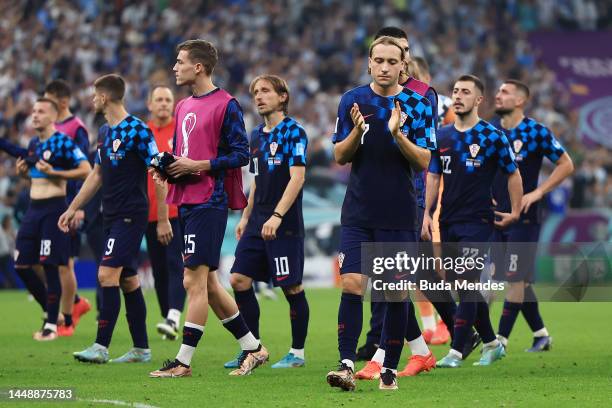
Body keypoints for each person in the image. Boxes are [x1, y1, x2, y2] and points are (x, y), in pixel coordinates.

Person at [149, 39, 267, 378]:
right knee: (210, 284)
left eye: (180, 61)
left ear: (198, 67)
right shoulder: (183, 105)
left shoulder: (226, 104)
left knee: (193, 280)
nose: (175, 67)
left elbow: (241, 154)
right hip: (185, 199)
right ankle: (253, 348)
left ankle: (183, 362)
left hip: (209, 200)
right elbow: (183, 151)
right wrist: (168, 165)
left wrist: (196, 165)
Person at [326, 36, 436, 391]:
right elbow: (340, 156)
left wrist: (398, 134)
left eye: (393, 61)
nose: (386, 67)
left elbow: (423, 161)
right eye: (379, 61)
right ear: (369, 63)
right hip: (358, 211)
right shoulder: (353, 101)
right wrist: (357, 132)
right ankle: (345, 363)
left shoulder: (418, 104)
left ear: (404, 65)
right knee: (353, 282)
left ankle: (388, 367)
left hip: (400, 213)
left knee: (394, 291)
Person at [422, 75, 522, 368]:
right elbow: (433, 176)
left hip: (479, 221)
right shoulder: (441, 136)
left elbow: (513, 174)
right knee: (460, 284)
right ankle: (492, 343)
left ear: (479, 99)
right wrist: (427, 213)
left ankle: (456, 350)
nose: (458, 96)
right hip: (449, 220)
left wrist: (515, 210)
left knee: (466, 282)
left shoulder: (492, 136)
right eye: (455, 91)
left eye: (465, 92)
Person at [59, 74, 159, 363]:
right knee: (128, 280)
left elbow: (155, 166)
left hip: (131, 214)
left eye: (94, 95)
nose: (91, 99)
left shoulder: (138, 130)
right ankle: (141, 349)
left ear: (104, 97)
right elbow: (97, 175)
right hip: (110, 214)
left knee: (106, 275)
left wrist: (163, 215)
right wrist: (72, 207)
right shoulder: (104, 132)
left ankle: (101, 347)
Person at [225, 74, 309, 369]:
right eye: (255, 92)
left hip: (283, 224)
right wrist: (246, 216)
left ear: (282, 96)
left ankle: (297, 353)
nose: (258, 96)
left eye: (265, 91)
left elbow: (297, 178)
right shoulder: (256, 136)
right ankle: (253, 348)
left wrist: (276, 215)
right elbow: (257, 181)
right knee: (238, 280)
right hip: (257, 221)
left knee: (292, 288)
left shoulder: (294, 132)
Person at [491, 79, 574, 352]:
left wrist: (539, 192)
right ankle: (541, 334)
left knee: (514, 279)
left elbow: (565, 164)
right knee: (520, 281)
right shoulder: (490, 132)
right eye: (498, 91)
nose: (498, 95)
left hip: (525, 218)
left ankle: (499, 341)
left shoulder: (536, 132)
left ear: (520, 100)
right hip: (495, 216)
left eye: (505, 92)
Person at [15, 98, 91, 340]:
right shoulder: (34, 143)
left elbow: (86, 169)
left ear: (53, 116)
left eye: (40, 111)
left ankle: (50, 326)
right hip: (33, 209)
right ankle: (53, 314)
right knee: (22, 265)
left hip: (53, 209)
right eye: (34, 111)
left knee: (50, 266)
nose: (35, 115)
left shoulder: (63, 141)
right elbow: (38, 177)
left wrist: (56, 172)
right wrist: (24, 175)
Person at [44, 79, 92, 331]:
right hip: (49, 204)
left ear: (62, 101)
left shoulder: (77, 128)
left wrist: (78, 206)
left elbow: (85, 170)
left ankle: (67, 318)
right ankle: (73, 303)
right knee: (46, 261)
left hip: (69, 204)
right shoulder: (50, 128)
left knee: (65, 263)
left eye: (48, 100)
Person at [144, 85, 186, 340]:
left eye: (167, 99)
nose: (163, 104)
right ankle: (167, 317)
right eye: (158, 99)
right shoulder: (142, 133)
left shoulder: (181, 131)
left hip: (176, 210)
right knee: (158, 269)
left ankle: (173, 316)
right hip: (148, 212)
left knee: (175, 264)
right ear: (150, 104)